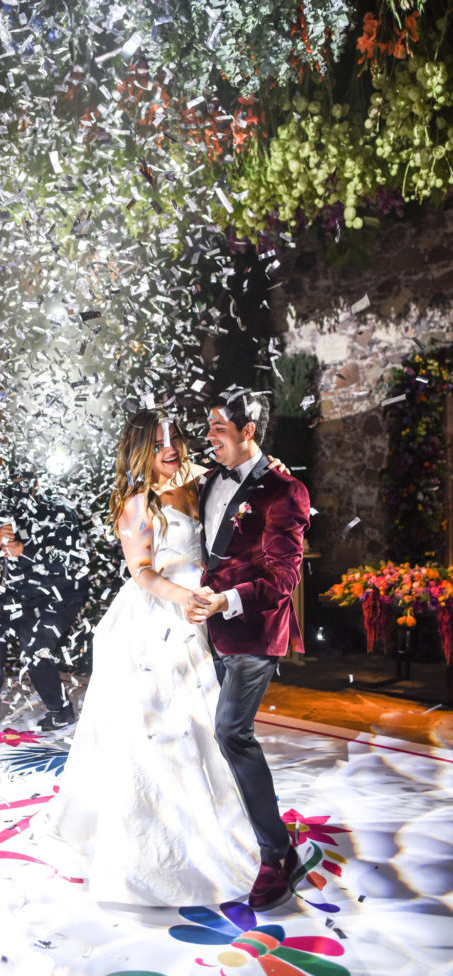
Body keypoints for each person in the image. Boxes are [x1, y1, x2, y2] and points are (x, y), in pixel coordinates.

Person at [32, 409, 261, 906]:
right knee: (162, 732)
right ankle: (157, 850)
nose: (170, 448)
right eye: (157, 442)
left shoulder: (196, 484)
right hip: (155, 622)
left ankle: (218, 831)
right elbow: (141, 572)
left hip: (200, 618)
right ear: (139, 448)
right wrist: (183, 598)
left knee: (207, 727)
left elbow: (245, 472)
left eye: (174, 437)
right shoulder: (138, 503)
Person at [186, 385, 310, 910]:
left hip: (255, 631)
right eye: (208, 427)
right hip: (203, 632)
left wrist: (225, 602)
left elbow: (283, 580)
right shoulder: (210, 479)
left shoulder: (285, 492)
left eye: (218, 428)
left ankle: (277, 853)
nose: (209, 437)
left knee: (231, 731)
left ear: (248, 431)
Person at [0, 472, 89, 732]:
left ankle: (60, 711)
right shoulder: (7, 515)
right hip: (18, 595)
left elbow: (67, 559)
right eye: (13, 485)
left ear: (37, 484)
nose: (18, 490)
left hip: (57, 595)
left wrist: (23, 551)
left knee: (35, 646)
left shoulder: (60, 513)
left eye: (24, 485)